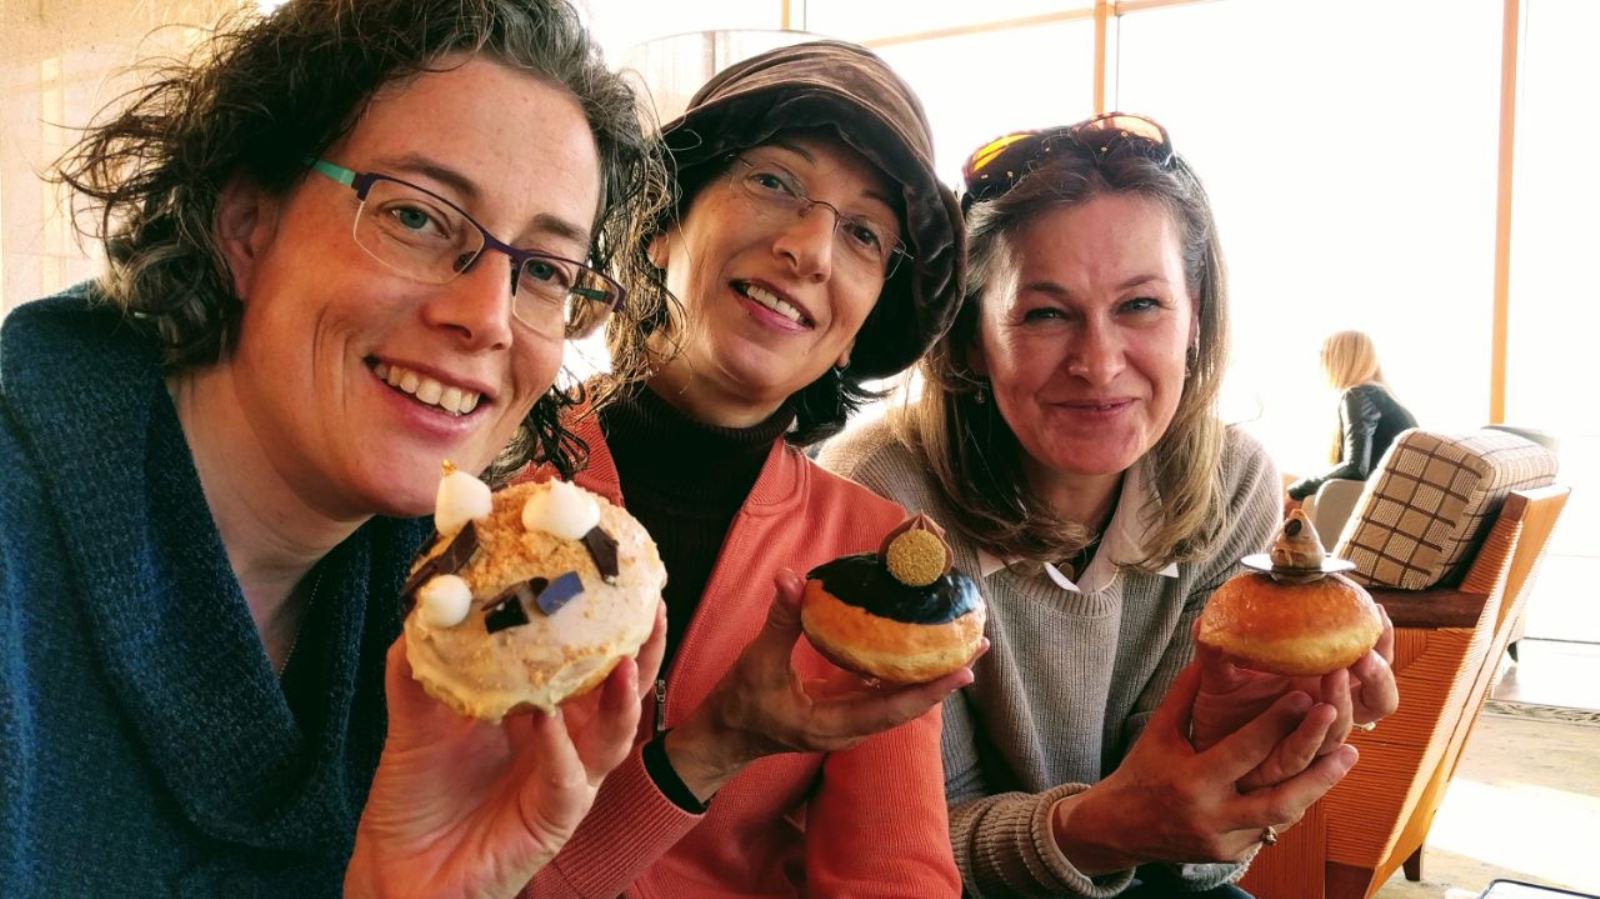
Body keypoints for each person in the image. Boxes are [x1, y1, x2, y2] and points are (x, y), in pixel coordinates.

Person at [0, 1, 672, 894]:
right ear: (247, 225)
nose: (485, 318)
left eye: (544, 271)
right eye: (419, 217)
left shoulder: (445, 632)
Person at [822, 114, 1399, 897]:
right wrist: (1103, 826)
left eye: (1141, 306)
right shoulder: (882, 492)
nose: (1099, 365)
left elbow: (1187, 846)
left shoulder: (1233, 484)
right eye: (1046, 313)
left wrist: (1250, 741)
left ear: (1195, 318)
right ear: (967, 341)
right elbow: (902, 840)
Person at [524, 40, 975, 898]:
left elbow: (894, 878)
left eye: (865, 232)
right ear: (661, 223)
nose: (810, 248)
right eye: (772, 181)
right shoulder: (499, 487)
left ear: (866, 315)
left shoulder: (869, 562)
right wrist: (712, 744)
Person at [1285, 329, 1418, 505]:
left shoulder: (1358, 395)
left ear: (1340, 359)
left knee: (1284, 484)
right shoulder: (1383, 397)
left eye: (1324, 355)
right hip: (1397, 500)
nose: (1320, 362)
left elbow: (1355, 469)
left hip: (1375, 503)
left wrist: (1296, 491)